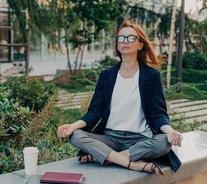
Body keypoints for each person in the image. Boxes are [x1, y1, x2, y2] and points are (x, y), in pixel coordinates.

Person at [56, 20, 183, 175]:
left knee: (164, 142)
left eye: (131, 38)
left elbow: (158, 114)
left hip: (140, 139)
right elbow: (94, 112)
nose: (125, 42)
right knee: (76, 136)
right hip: (110, 139)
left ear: (140, 45)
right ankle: (131, 164)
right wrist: (72, 126)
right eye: (121, 38)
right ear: (117, 44)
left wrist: (170, 131)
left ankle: (108, 157)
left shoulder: (151, 76)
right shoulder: (107, 76)